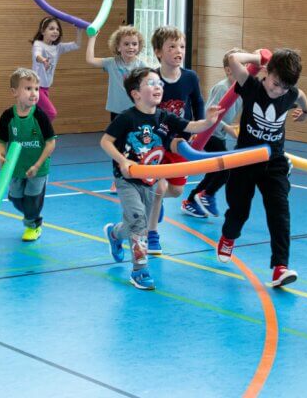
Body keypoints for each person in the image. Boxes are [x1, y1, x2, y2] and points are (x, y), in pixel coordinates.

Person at [101, 67, 221, 290]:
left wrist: (208, 121)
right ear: (136, 93)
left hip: (150, 180)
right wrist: (123, 161)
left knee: (138, 225)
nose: (158, 87)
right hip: (127, 179)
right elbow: (106, 142)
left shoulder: (164, 116)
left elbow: (190, 126)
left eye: (160, 84)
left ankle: (114, 233)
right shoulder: (127, 118)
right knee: (138, 222)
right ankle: (139, 270)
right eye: (151, 83)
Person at [216, 50, 307, 288]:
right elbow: (232, 59)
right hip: (245, 159)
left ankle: (281, 267)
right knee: (239, 210)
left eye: (284, 87)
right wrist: (258, 58)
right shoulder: (251, 86)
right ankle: (228, 237)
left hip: (274, 162)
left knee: (280, 213)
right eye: (276, 84)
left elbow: (302, 98)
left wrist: (305, 113)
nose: (278, 90)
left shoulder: (291, 93)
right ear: (267, 73)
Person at [146, 26, 205, 254]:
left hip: (181, 141)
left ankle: (154, 201)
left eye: (181, 46)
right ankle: (152, 234)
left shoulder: (190, 77)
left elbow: (197, 102)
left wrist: (200, 126)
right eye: (172, 47)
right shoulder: (153, 78)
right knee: (159, 186)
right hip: (158, 142)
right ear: (159, 52)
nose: (178, 51)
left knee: (176, 190)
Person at [0, 68, 57, 241]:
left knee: (32, 201)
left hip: (38, 168)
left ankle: (33, 225)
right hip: (15, 167)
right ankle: (32, 214)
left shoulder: (40, 116)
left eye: (36, 89)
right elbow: (1, 140)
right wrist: (0, 155)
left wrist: (37, 165)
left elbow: (51, 142)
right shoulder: (8, 116)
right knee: (15, 199)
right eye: (28, 88)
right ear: (14, 92)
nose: (34, 93)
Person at [85, 25, 148, 192]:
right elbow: (90, 60)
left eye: (134, 44)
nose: (130, 47)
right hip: (118, 113)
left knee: (136, 146)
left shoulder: (142, 66)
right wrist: (92, 38)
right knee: (117, 147)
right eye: (126, 44)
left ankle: (137, 174)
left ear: (139, 46)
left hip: (136, 113)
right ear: (118, 47)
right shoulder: (111, 63)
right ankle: (118, 178)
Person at [186, 48, 244, 217]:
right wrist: (227, 127)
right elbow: (207, 113)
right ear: (228, 69)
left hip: (219, 135)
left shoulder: (242, 88)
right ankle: (206, 195)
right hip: (209, 134)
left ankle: (190, 202)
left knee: (214, 171)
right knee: (225, 169)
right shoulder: (222, 88)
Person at [31, 16, 81, 122]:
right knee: (51, 113)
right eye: (51, 28)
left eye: (57, 29)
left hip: (45, 88)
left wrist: (79, 29)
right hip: (36, 87)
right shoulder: (38, 44)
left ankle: (32, 134)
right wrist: (43, 60)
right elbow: (36, 54)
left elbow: (77, 45)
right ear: (42, 31)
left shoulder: (58, 47)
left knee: (37, 115)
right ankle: (42, 134)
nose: (55, 31)